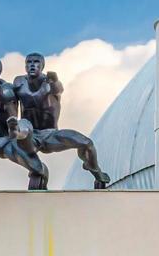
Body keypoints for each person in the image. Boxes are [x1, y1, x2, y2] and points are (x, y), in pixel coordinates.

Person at [13, 52, 111, 189]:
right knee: (22, 126)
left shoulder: (50, 84)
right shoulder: (19, 84)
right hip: (29, 134)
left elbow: (57, 88)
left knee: (87, 143)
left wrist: (54, 81)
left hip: (50, 135)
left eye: (36, 62)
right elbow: (7, 101)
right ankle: (18, 136)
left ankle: (96, 171)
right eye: (29, 62)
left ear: (42, 65)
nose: (32, 65)